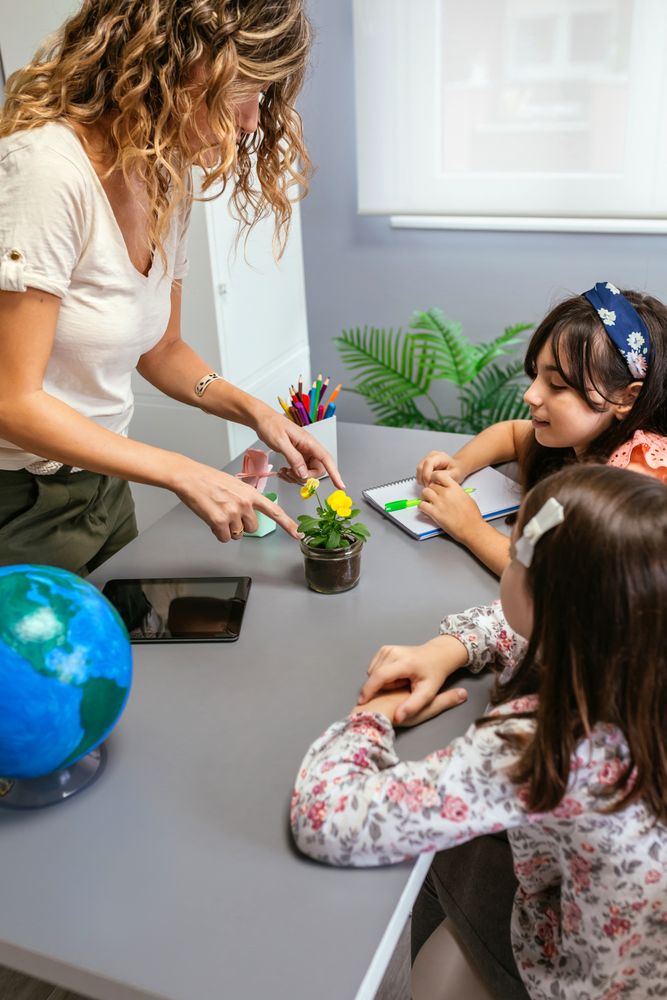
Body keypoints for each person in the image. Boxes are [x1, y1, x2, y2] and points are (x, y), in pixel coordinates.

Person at [291, 464, 667, 1000]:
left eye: (512, 558)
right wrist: (450, 649)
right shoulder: (632, 642)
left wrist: (374, 716)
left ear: (549, 599)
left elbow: (328, 819)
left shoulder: (543, 744)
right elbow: (513, 619)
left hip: (575, 979)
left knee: (443, 863)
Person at [0, 0, 342, 575]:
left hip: (106, 488)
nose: (254, 120)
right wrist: (182, 470)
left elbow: (162, 349)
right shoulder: (44, 171)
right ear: (180, 64)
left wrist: (256, 411)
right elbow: (12, 402)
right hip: (21, 504)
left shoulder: (161, 172)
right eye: (247, 90)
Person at [414, 283, 667, 575]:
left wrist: (469, 527)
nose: (530, 395)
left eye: (557, 385)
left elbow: (551, 579)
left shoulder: (633, 481)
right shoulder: (585, 438)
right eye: (536, 375)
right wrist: (458, 465)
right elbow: (510, 433)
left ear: (626, 398)